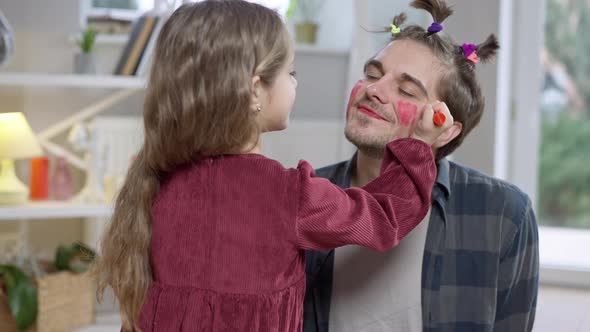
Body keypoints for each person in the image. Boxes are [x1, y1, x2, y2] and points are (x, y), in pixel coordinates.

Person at [92, 1, 454, 331]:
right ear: (254, 90)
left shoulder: (157, 181)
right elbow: (384, 217)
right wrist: (418, 145)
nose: (295, 82)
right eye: (290, 72)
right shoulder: (289, 194)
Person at [303, 0, 539, 331]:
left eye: (407, 90)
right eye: (372, 74)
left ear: (444, 125)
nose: (374, 90)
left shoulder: (503, 215)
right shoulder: (307, 195)